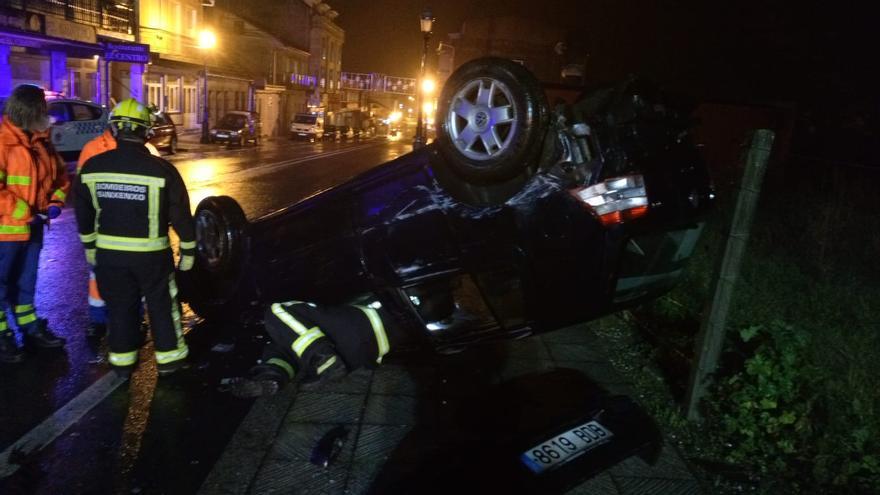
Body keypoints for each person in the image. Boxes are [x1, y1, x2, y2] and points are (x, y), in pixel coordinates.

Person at [73, 98, 195, 377]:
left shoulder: (92, 168)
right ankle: (170, 361)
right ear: (146, 132)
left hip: (109, 256)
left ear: (114, 129)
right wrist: (188, 251)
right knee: (162, 306)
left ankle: (123, 362)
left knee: (120, 308)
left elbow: (83, 213)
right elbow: (180, 214)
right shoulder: (162, 170)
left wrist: (90, 247)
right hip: (152, 257)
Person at [0, 84, 69, 363]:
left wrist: (55, 202)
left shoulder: (42, 142)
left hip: (34, 228)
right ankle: (2, 338)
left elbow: (62, 178)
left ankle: (29, 328)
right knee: (1, 286)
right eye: (43, 110)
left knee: (27, 284)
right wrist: (22, 210)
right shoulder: (3, 143)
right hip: (6, 232)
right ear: (29, 111)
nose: (47, 115)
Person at [76, 127, 160, 339]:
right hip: (108, 228)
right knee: (101, 275)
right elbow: (82, 193)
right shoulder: (93, 148)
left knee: (128, 277)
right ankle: (99, 320)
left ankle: (133, 318)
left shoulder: (147, 150)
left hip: (131, 229)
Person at [227, 300, 392, 398]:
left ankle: (321, 359)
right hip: (360, 338)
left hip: (366, 341)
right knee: (277, 322)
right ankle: (271, 379)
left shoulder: (280, 323)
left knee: (276, 314)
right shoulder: (280, 336)